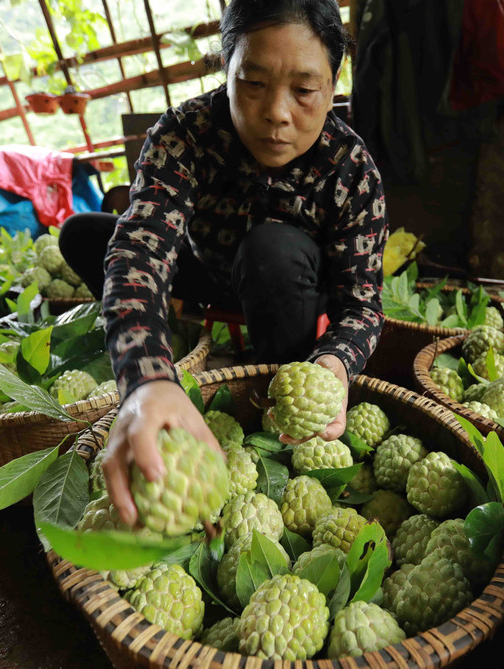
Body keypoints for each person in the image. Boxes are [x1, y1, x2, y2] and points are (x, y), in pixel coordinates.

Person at [59, 0, 388, 526]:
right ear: (226, 68)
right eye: (253, 84)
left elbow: (364, 305)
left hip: (290, 282)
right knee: (85, 234)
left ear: (333, 83)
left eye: (304, 91)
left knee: (271, 251)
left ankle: (275, 377)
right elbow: (141, 245)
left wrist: (334, 365)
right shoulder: (185, 134)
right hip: (207, 268)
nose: (277, 113)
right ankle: (183, 340)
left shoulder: (350, 168)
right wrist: (145, 377)